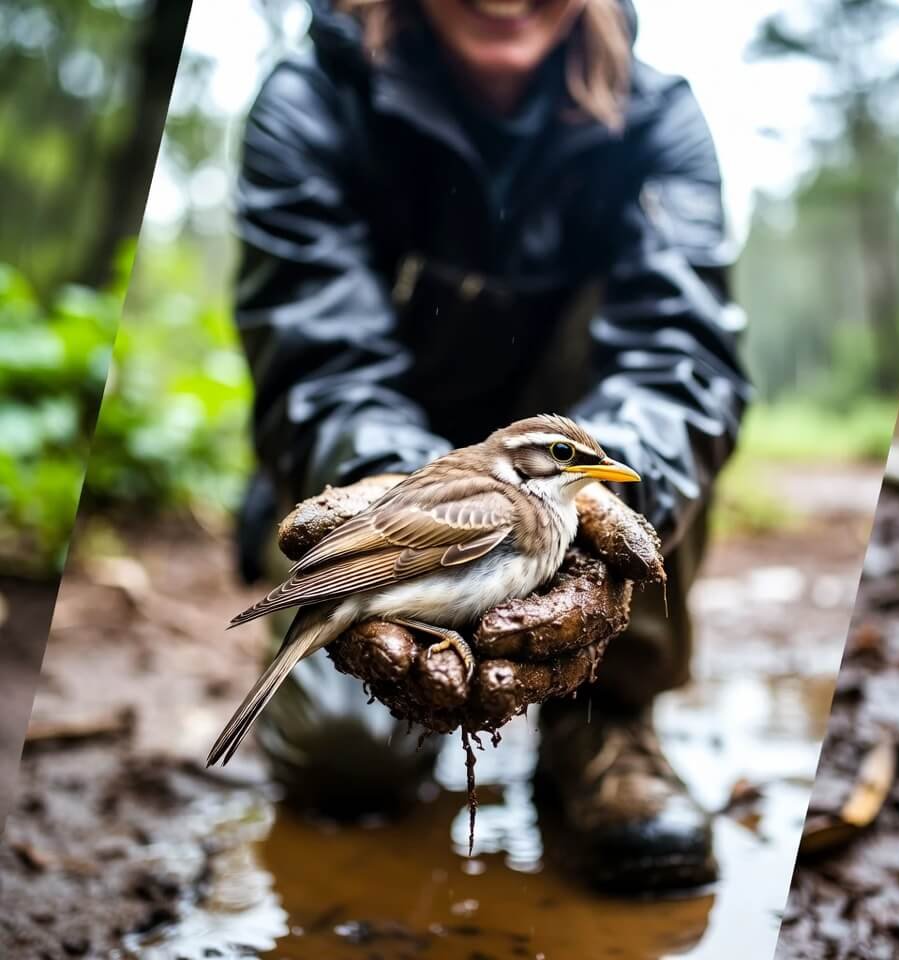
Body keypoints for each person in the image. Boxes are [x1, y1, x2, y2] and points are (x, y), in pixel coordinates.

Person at [233, 0, 749, 892]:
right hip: (388, 466)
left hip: (568, 440)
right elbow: (315, 356)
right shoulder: (314, 99)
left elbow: (683, 359)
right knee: (344, 760)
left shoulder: (658, 114)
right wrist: (374, 477)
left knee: (639, 461)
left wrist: (607, 497)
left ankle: (609, 720)